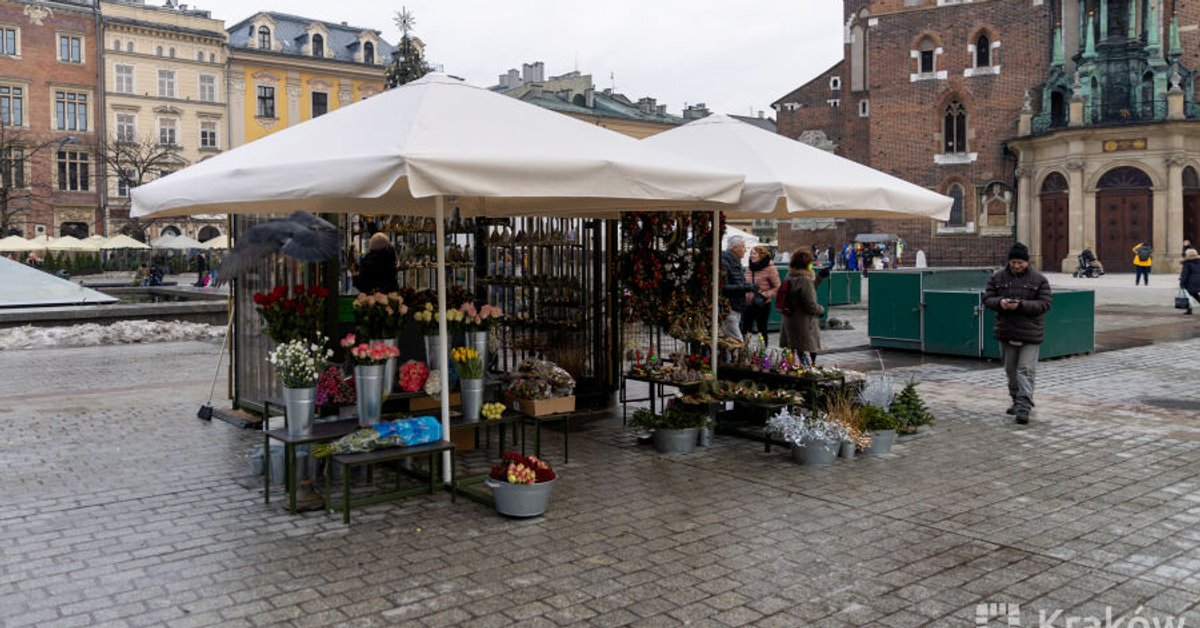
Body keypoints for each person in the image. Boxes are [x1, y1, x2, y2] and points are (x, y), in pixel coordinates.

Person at [983, 242, 1053, 425]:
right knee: (1010, 370)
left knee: (1026, 369)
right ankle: (1016, 400)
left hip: (1030, 332)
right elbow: (987, 298)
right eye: (1013, 262)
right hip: (1007, 330)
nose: (1016, 265)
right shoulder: (998, 277)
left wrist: (1020, 305)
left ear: (1027, 262)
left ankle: (1024, 406)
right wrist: (1000, 303)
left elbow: (1045, 303)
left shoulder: (1039, 280)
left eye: (1020, 262)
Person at [779, 250, 824, 363]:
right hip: (804, 325)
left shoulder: (789, 276)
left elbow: (804, 291)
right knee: (807, 357)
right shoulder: (805, 280)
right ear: (807, 264)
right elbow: (810, 306)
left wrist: (819, 277)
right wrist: (821, 310)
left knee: (794, 356)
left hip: (790, 322)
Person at [742, 245, 781, 342]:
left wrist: (764, 295)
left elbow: (777, 287)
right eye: (751, 253)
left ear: (761, 256)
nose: (751, 256)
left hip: (762, 304)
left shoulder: (770, 268)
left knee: (761, 330)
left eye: (754, 253)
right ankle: (746, 351)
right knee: (745, 330)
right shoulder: (749, 268)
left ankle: (762, 351)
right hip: (748, 304)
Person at [719, 236, 755, 341]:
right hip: (729, 307)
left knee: (733, 340)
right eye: (743, 247)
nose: (745, 250)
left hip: (737, 306)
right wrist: (745, 287)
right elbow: (722, 287)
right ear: (735, 248)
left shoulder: (735, 261)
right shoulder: (725, 262)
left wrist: (746, 286)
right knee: (738, 340)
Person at [1180, 248, 1200, 315]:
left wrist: (1182, 283)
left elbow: (1185, 274)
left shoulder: (1187, 263)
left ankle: (1189, 310)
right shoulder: (1199, 261)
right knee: (1194, 295)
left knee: (1189, 295)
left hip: (1191, 282)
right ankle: (1189, 310)